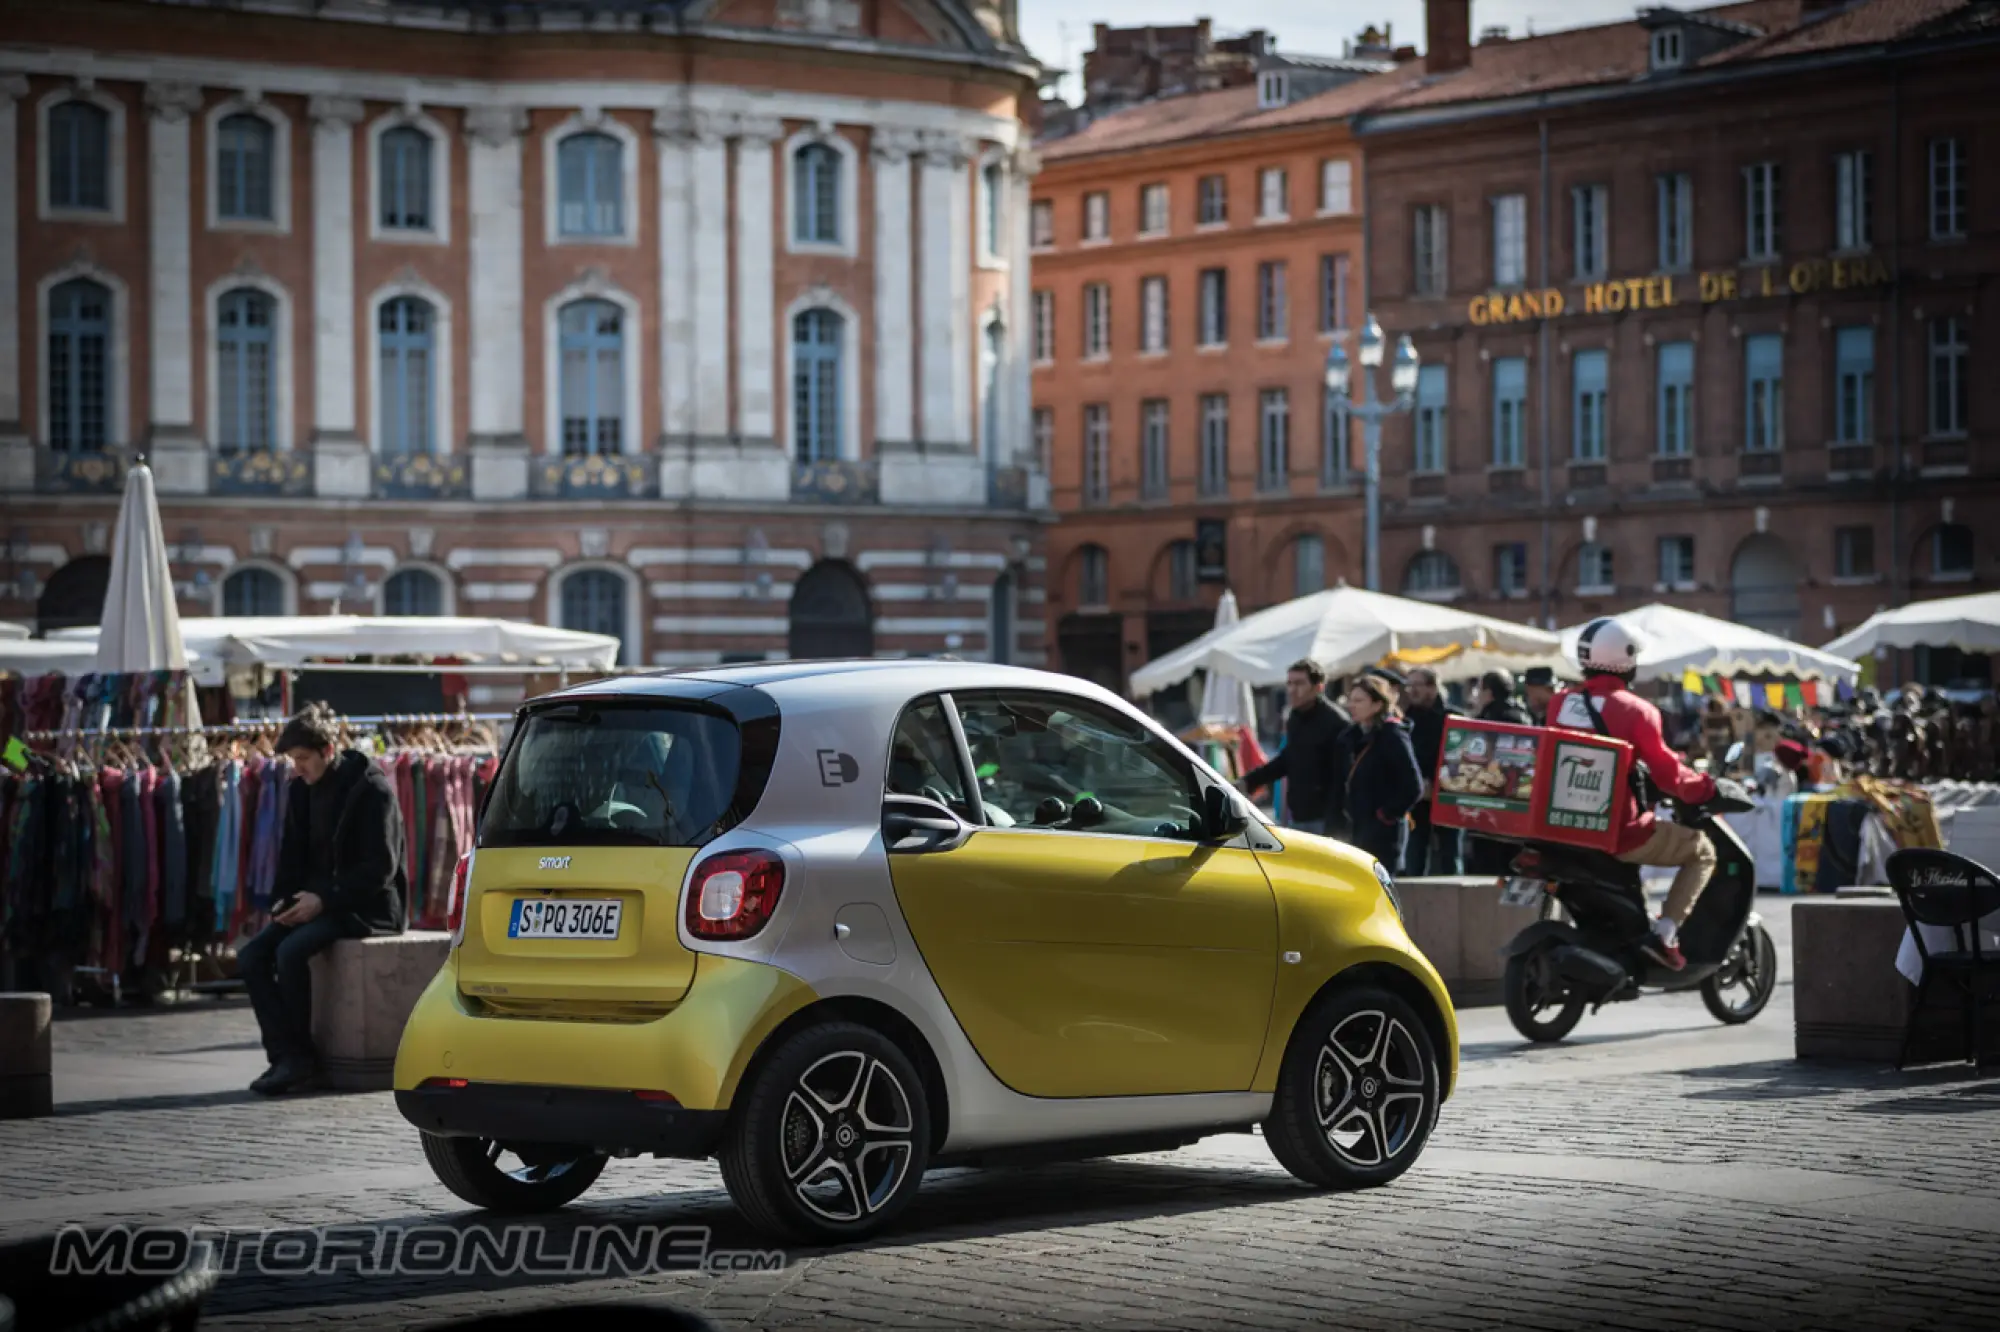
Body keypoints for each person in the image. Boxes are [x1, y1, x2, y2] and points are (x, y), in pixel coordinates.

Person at [238, 704, 407, 1095]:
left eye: (303, 759)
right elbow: (291, 856)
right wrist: (284, 902)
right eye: (293, 760)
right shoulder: (301, 790)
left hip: (368, 907)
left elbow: (379, 869)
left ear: (328, 751)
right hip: (318, 902)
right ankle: (286, 1056)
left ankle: (301, 1061)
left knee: (291, 953)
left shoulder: (372, 790)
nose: (297, 768)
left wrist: (324, 900)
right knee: (251, 956)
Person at [1548, 617, 1718, 972]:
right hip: (1616, 832)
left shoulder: (1560, 703)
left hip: (1561, 825)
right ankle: (1665, 934)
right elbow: (1669, 775)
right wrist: (1705, 787)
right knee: (1702, 850)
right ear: (1627, 659)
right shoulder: (1638, 711)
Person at [1238, 659, 1352, 836]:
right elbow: (1287, 759)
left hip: (1326, 821)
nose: (1292, 690)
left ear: (1318, 687)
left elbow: (1343, 779)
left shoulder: (1337, 723)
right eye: (1289, 683)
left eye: (1299, 683)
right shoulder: (1295, 717)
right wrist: (1250, 781)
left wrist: (1335, 825)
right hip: (1299, 815)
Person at [1336, 674, 1424, 870]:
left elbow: (1413, 786)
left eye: (1359, 701)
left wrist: (1386, 815)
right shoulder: (1352, 736)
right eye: (1350, 700)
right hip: (1358, 829)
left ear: (1377, 705)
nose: (1352, 705)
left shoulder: (1392, 734)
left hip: (1384, 835)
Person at [1401, 668, 1462, 876]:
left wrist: (1438, 783)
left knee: (1450, 855)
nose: (1412, 690)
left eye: (1417, 685)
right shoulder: (1406, 719)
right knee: (1415, 855)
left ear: (1432, 687)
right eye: (1409, 685)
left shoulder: (1453, 718)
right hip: (1417, 799)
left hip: (1447, 796)